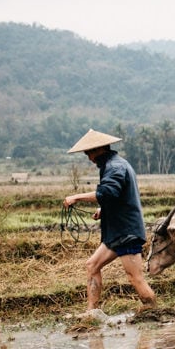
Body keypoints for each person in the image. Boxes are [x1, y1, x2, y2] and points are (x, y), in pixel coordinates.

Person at [63, 129, 156, 314]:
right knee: (92, 265)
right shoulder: (113, 165)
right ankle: (91, 313)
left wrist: (76, 197)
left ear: (99, 149)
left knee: (135, 277)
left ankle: (156, 313)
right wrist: (103, 210)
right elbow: (115, 196)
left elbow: (106, 192)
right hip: (117, 231)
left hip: (126, 231)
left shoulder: (115, 167)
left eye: (89, 152)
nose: (88, 157)